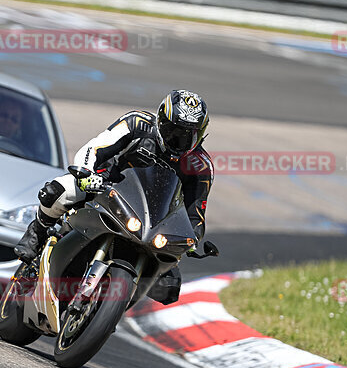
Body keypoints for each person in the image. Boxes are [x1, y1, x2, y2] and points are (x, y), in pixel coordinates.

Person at [13, 89, 217, 304]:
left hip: (151, 220)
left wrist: (190, 240)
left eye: (187, 135)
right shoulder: (137, 123)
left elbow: (196, 214)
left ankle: (109, 310)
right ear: (160, 119)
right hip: (106, 187)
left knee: (169, 285)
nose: (178, 139)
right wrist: (87, 173)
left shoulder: (201, 166)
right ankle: (38, 229)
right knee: (59, 190)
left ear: (200, 134)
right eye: (172, 130)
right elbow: (96, 147)